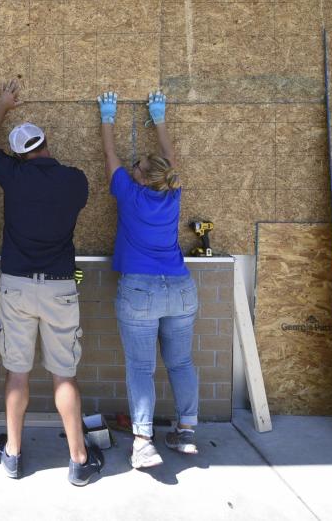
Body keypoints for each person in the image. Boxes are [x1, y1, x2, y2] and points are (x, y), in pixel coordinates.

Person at [0, 78, 103, 487]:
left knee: (17, 374)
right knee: (63, 377)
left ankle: (13, 454)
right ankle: (78, 460)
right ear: (47, 143)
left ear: (19, 155)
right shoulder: (75, 181)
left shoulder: (12, 176)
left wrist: (2, 104)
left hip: (15, 286)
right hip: (59, 288)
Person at [97, 89, 200, 469]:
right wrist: (159, 117)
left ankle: (144, 442)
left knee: (141, 368)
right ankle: (186, 431)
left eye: (136, 165)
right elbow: (169, 161)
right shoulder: (171, 193)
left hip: (140, 290)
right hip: (180, 289)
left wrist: (107, 118)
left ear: (140, 177)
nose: (132, 166)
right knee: (181, 362)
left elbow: (110, 157)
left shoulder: (129, 194)